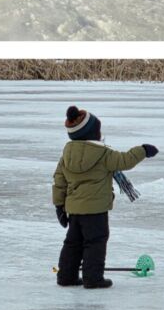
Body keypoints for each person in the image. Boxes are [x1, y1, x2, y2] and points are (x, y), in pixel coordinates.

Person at [53, 105, 158, 289]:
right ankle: (93, 279)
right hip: (96, 210)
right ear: (93, 133)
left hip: (74, 211)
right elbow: (125, 160)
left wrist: (59, 206)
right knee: (95, 242)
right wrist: (143, 150)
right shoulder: (103, 154)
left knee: (73, 243)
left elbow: (59, 181)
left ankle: (66, 277)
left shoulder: (66, 155)